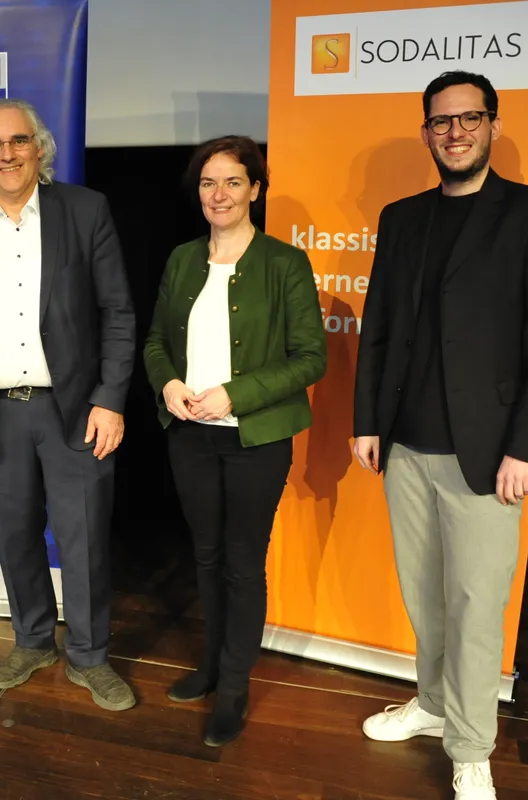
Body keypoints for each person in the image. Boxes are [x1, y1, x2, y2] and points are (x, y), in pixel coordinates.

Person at [353, 71, 528, 800]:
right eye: (441, 121)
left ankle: (472, 746)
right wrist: (367, 421)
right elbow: (379, 324)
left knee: (477, 606)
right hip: (405, 448)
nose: (455, 132)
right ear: (426, 132)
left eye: (469, 118)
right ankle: (434, 703)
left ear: (493, 125)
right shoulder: (402, 218)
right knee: (425, 597)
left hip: (488, 454)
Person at [0, 98, 137, 711]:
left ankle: (89, 657)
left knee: (83, 539)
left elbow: (118, 313)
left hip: (76, 412)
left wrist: (110, 399)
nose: (6, 154)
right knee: (13, 535)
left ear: (39, 147)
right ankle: (33, 641)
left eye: (18, 141)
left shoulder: (85, 210)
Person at [143, 135, 326, 744]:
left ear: (255, 189)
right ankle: (211, 666)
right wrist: (168, 382)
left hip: (256, 441)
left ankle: (235, 686)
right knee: (205, 556)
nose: (218, 194)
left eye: (232, 182)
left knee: (243, 564)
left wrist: (235, 394)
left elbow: (311, 358)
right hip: (190, 437)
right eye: (207, 183)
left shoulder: (284, 263)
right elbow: (155, 341)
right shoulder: (181, 259)